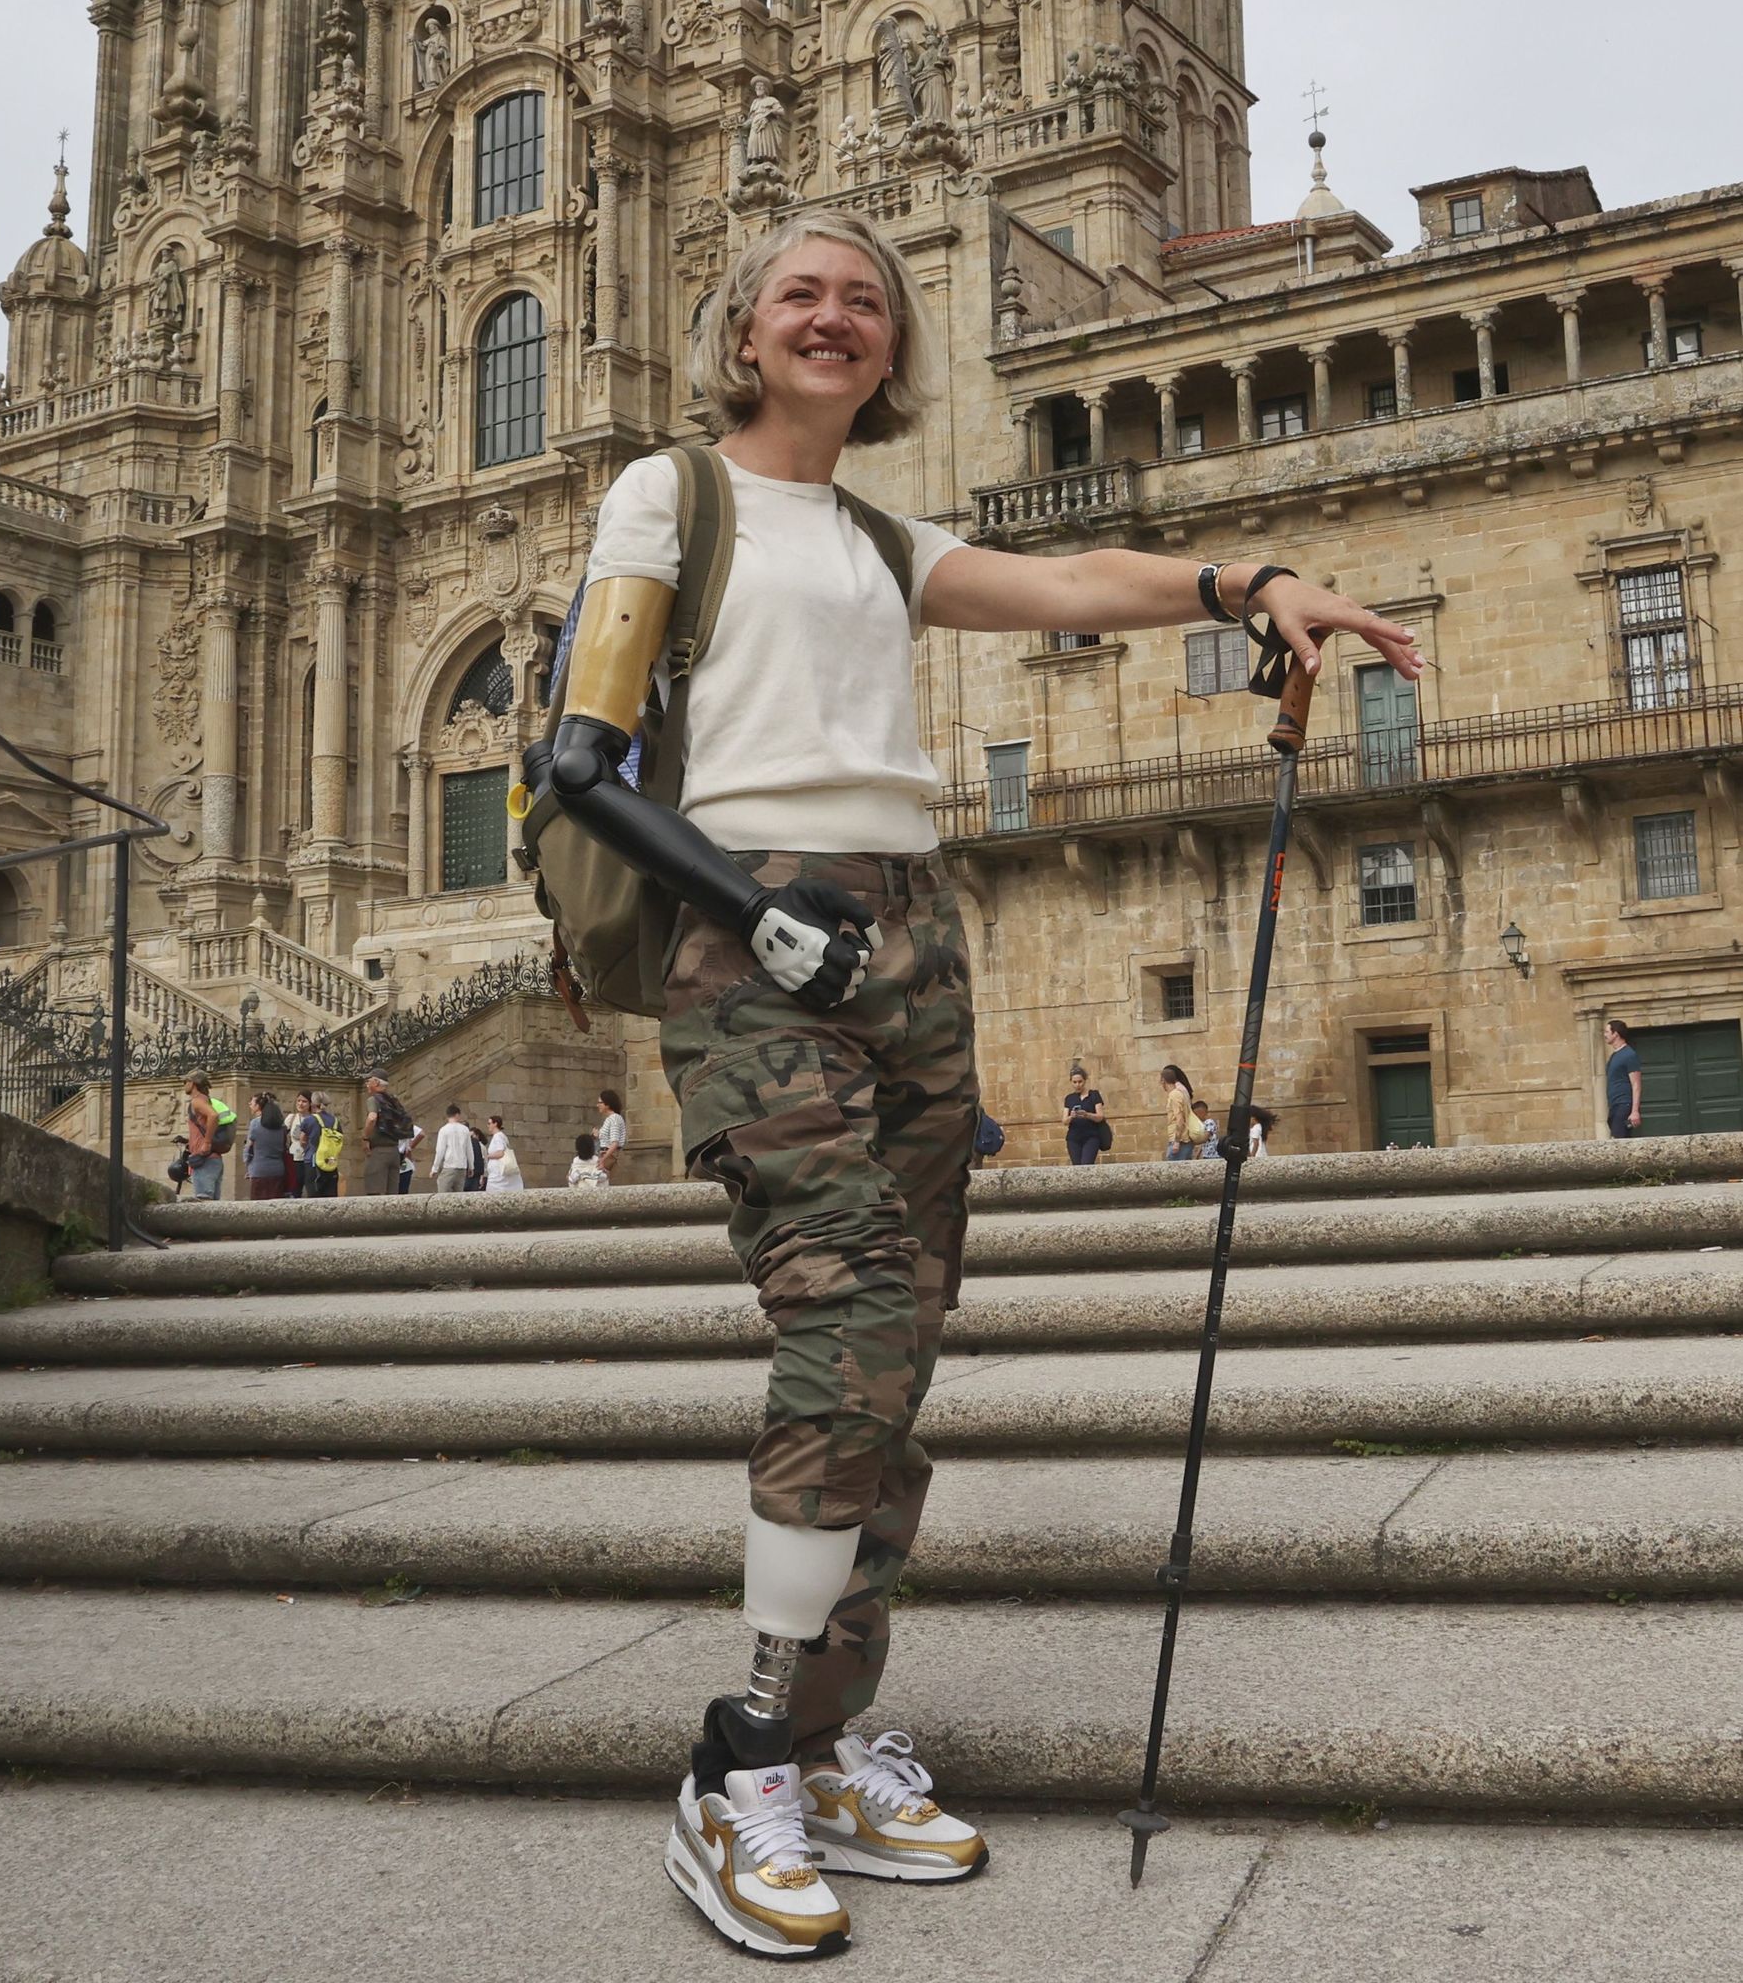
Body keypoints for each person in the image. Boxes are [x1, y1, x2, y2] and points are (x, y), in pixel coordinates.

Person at [542, 204, 1421, 1955]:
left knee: (906, 1345)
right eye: (800, 293)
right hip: (755, 935)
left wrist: (1247, 585)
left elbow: (1076, 585)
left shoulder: (880, 537)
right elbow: (581, 758)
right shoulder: (671, 498)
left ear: (891, 351)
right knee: (851, 1311)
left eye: (865, 301)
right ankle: (740, 1762)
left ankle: (824, 1734)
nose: (834, 317)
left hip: (913, 938)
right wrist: (754, 910)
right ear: (741, 331)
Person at [362, 1073, 413, 1196]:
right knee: (392, 1197)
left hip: (379, 1151)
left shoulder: (374, 1100)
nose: (366, 1084)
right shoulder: (393, 1101)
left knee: (374, 1193)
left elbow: (372, 1118)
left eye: (369, 1081)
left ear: (376, 1083)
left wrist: (365, 1138)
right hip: (394, 1153)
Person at [183, 1072, 231, 1201]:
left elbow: (213, 1115)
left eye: (185, 1082)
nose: (184, 1085)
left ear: (193, 1083)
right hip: (213, 1159)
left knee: (204, 1202)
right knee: (212, 1205)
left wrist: (207, 1142)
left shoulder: (197, 1101)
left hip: (205, 1159)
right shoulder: (207, 1100)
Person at [244, 1093, 290, 1201]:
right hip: (278, 1170)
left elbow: (249, 1148)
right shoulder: (281, 1126)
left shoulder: (255, 1124)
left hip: (259, 1169)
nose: (250, 1104)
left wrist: (248, 1167)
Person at [1604, 1019, 1643, 1138]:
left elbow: (1636, 1084)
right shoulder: (1614, 1056)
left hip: (1624, 1104)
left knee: (1619, 1141)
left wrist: (1635, 1111)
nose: (1604, 1035)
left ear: (1615, 1034)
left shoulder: (1629, 1055)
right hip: (1614, 1105)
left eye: (1606, 1032)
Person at [430, 1103, 477, 1195]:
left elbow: (440, 1151)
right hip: (462, 1167)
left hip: (449, 1166)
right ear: (457, 1115)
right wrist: (471, 1166)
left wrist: (435, 1168)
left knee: (443, 1195)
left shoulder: (444, 1130)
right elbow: (469, 1150)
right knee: (458, 1197)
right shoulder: (465, 1130)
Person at [1062, 1065, 1105, 1166]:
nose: (1078, 1085)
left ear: (1085, 1081)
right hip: (1073, 1138)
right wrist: (1071, 1116)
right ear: (1071, 1082)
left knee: (1087, 1164)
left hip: (1091, 1136)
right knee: (1077, 1167)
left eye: (1080, 1082)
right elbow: (1064, 1121)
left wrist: (1087, 1115)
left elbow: (1100, 1117)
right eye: (1075, 1082)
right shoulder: (1069, 1098)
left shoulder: (1094, 1095)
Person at [1162, 1064, 1199, 1161]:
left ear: (1163, 1080)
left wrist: (1176, 1141)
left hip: (1180, 1140)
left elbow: (1179, 1119)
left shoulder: (1175, 1094)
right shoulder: (1183, 1090)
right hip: (1184, 1140)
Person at [287, 1091, 321, 1198]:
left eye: (304, 1101)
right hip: (294, 1158)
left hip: (310, 1158)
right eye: (299, 1101)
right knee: (295, 1189)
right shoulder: (291, 1118)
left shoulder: (315, 1119)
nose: (301, 1104)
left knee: (312, 1189)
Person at [311, 1095, 344, 1198]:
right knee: (331, 1190)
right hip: (331, 1158)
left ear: (313, 1104)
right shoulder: (335, 1120)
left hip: (315, 1158)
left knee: (316, 1191)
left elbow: (303, 1138)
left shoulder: (311, 1119)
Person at [484, 1113, 523, 1191]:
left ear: (495, 1124)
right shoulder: (501, 1136)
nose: (488, 1125)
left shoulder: (498, 1136)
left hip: (498, 1171)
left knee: (494, 1191)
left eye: (489, 1123)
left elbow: (500, 1153)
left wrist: (487, 1156)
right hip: (497, 1171)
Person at [595, 1087, 627, 1179]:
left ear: (607, 1104)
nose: (597, 1105)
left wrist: (603, 1159)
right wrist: (598, 1135)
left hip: (609, 1156)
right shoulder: (610, 1119)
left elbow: (615, 1143)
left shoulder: (614, 1118)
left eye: (600, 1102)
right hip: (606, 1155)